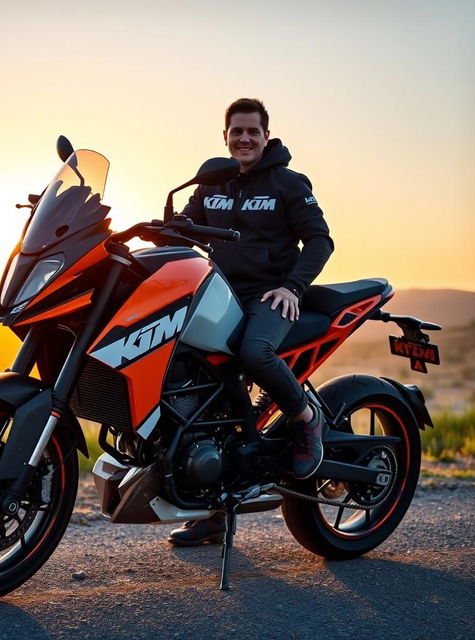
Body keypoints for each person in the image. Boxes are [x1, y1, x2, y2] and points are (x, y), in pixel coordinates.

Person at [167, 98, 334, 546]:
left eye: (252, 132)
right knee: (190, 374)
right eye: (236, 132)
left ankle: (304, 417)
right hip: (217, 292)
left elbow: (320, 240)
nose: (243, 139)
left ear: (265, 136)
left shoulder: (288, 182)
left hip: (268, 294)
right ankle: (212, 506)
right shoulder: (213, 182)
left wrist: (292, 287)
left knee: (254, 352)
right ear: (224, 137)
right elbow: (186, 225)